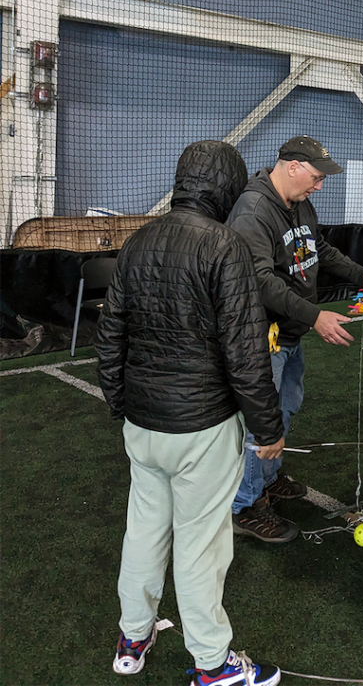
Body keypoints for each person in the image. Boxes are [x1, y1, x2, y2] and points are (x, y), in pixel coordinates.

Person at [95, 140, 284, 686]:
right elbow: (247, 352)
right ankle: (214, 665)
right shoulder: (225, 247)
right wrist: (268, 428)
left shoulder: (138, 242)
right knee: (201, 548)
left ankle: (134, 634)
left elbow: (111, 337)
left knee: (145, 531)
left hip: (143, 423)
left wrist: (119, 403)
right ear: (225, 186)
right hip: (201, 427)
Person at [227, 135, 363, 543]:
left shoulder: (298, 204)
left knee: (285, 410)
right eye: (315, 177)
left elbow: (321, 250)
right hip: (264, 338)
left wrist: (360, 275)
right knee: (261, 425)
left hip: (290, 336)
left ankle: (267, 480)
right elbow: (258, 282)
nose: (319, 185)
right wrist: (315, 316)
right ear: (292, 166)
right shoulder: (254, 210)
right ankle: (243, 505)